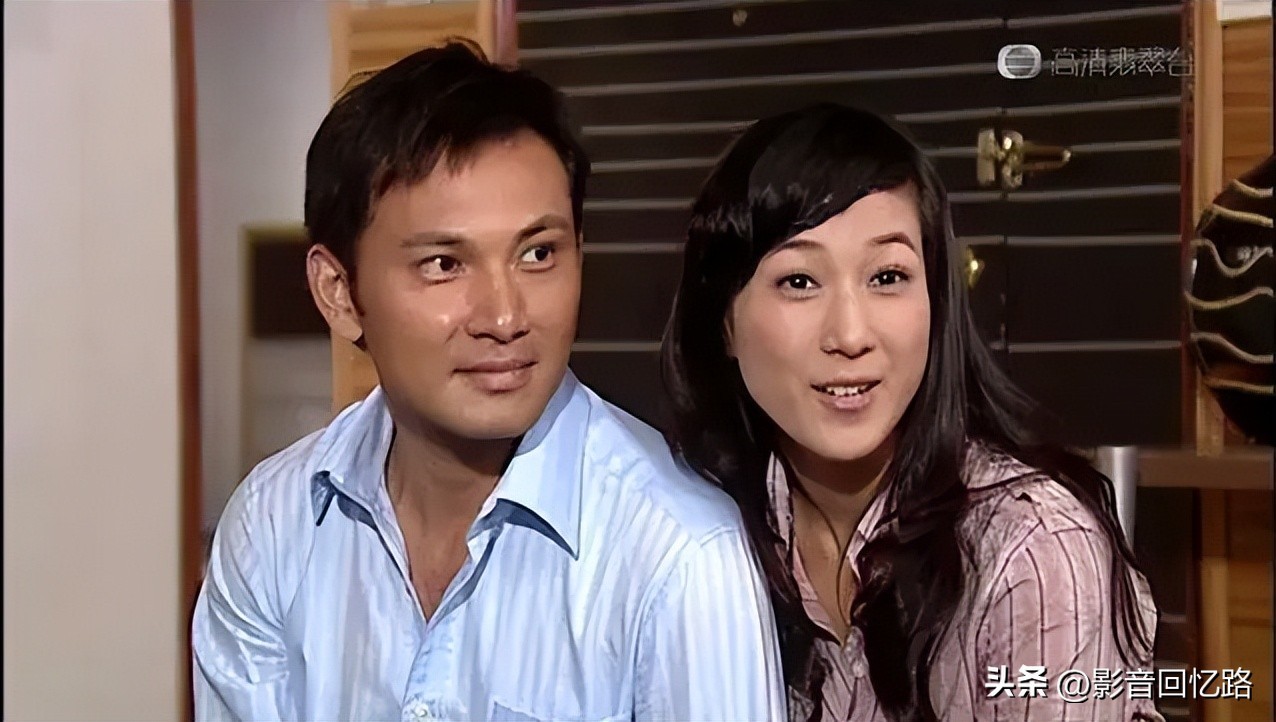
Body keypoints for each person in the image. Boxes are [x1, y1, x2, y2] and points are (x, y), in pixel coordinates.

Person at [193, 42, 784, 722]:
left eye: (538, 253)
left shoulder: (680, 555)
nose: (505, 318)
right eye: (444, 264)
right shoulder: (272, 525)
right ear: (339, 292)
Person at [661, 103, 1161, 721]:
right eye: (799, 281)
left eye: (888, 276)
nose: (851, 335)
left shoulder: (1031, 550)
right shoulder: (692, 532)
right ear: (724, 323)